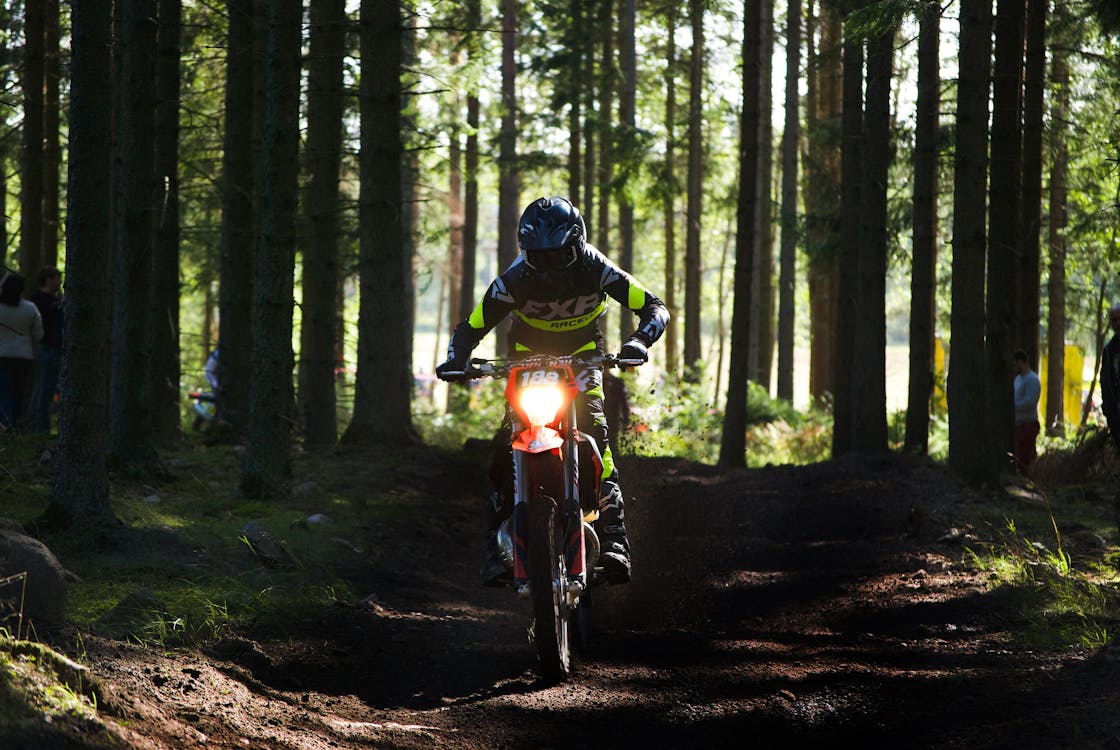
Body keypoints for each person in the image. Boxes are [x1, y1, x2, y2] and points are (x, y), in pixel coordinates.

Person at [436, 196, 670, 585]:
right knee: (503, 446)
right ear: (524, 251)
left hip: (582, 356)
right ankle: (493, 549)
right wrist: (455, 359)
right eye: (536, 258)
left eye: (556, 257)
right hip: (528, 359)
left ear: (576, 246)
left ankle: (614, 538)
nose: (545, 268)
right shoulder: (512, 280)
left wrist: (638, 344)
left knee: (595, 433)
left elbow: (654, 307)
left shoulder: (597, 269)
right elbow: (471, 327)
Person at [0, 272, 44, 432]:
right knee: (19, 393)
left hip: (1, 355)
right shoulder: (30, 308)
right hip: (23, 356)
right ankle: (16, 423)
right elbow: (39, 334)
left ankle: (6, 425)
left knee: (3, 392)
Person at [28, 267, 63, 434]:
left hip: (49, 348)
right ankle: (40, 428)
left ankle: (36, 425)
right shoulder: (39, 300)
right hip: (46, 348)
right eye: (58, 278)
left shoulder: (50, 300)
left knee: (42, 388)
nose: (60, 282)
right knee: (45, 389)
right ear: (48, 279)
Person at [1013, 349, 1041, 475]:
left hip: (1028, 424)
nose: (1015, 366)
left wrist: (1013, 407)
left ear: (1021, 362)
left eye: (1016, 363)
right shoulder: (1017, 380)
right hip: (1018, 424)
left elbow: (1030, 402)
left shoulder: (1032, 380)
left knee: (1026, 456)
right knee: (1019, 455)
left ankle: (1030, 478)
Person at [1101, 303, 1120, 448]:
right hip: (1116, 414)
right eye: (1114, 320)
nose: (1117, 323)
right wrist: (1108, 409)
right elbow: (1105, 381)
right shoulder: (1109, 350)